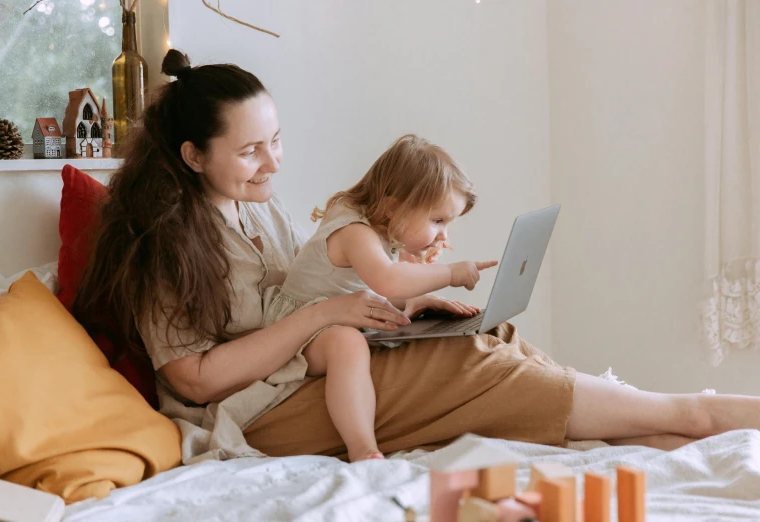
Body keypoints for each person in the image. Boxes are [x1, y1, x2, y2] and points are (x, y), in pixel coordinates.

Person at [75, 49, 760, 465]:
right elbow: (194, 380)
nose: (272, 161)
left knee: (483, 336)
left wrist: (396, 303)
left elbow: (307, 297)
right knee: (468, 363)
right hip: (258, 411)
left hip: (315, 366)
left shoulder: (258, 206)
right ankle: (688, 413)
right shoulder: (162, 244)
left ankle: (647, 424)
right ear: (193, 156)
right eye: (251, 150)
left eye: (276, 139)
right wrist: (327, 316)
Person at [261, 134, 496, 461]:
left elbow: (378, 283)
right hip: (295, 334)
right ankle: (363, 447)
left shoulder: (379, 225)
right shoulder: (354, 231)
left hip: (335, 317)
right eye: (437, 220)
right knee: (347, 344)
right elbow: (387, 280)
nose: (444, 233)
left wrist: (424, 295)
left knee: (400, 326)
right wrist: (451, 273)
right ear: (393, 205)